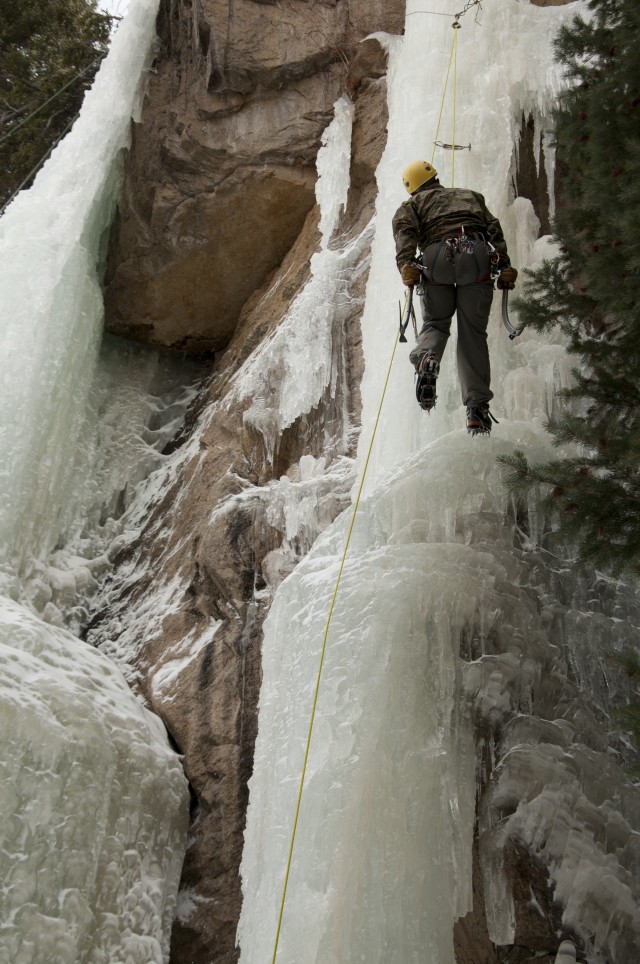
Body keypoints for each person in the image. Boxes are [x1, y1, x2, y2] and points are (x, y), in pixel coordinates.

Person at [392, 159, 517, 434]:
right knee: (473, 333)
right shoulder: (471, 196)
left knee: (436, 324)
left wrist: (406, 265)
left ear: (413, 189)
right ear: (435, 178)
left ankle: (426, 356)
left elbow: (405, 231)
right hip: (476, 254)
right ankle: (476, 409)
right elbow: (493, 230)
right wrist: (504, 266)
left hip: (436, 257)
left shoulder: (412, 205)